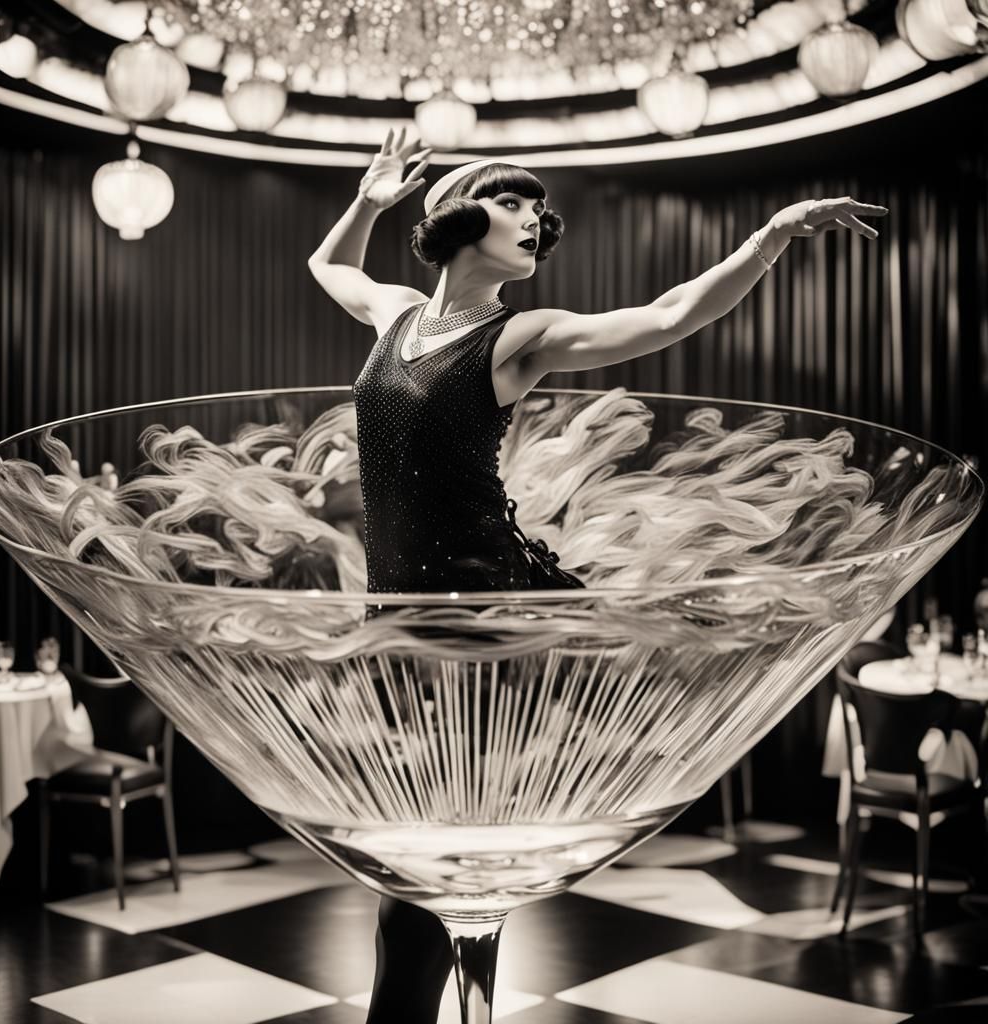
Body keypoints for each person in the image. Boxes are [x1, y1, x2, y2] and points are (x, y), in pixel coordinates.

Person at [307, 127, 888, 1023]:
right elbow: (326, 264)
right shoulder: (394, 314)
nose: (536, 221)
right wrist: (370, 200)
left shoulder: (522, 336)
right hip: (400, 617)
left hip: (490, 616)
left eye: (542, 211)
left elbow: (668, 316)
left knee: (435, 861)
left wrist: (769, 236)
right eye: (514, 203)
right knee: (414, 864)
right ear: (459, 216)